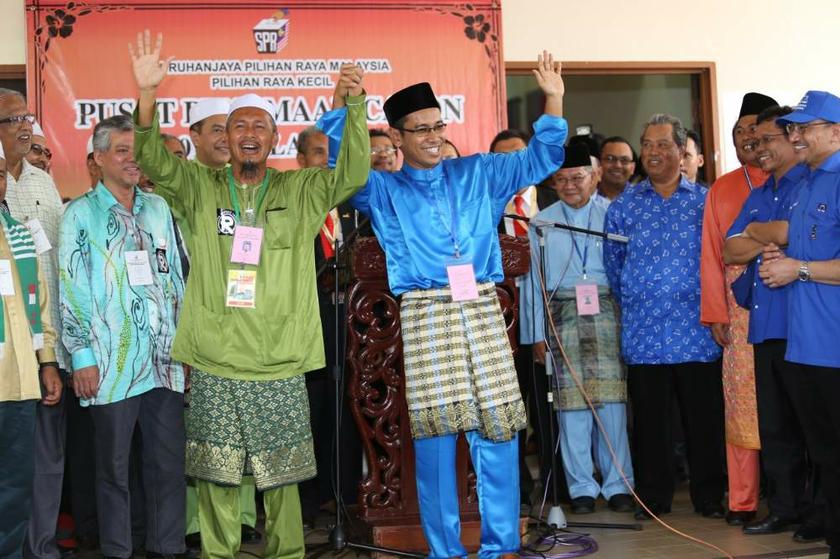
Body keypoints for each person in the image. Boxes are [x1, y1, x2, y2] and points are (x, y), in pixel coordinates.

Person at [129, 30, 370, 558]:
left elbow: (353, 171)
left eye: (260, 125)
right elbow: (153, 161)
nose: (248, 133)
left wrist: (354, 107)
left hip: (277, 359)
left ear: (275, 138)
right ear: (226, 138)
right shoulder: (199, 187)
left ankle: (287, 554)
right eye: (238, 125)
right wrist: (147, 96)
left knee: (281, 478)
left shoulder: (300, 189)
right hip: (215, 358)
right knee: (215, 476)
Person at [320, 50, 566, 556]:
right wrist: (345, 106)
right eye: (421, 130)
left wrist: (555, 99)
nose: (433, 137)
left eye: (438, 126)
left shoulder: (479, 172)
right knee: (435, 442)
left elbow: (541, 159)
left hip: (481, 309)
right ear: (397, 138)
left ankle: (500, 547)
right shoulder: (383, 189)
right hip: (427, 314)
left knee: (499, 433)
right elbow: (343, 172)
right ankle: (445, 551)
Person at [59, 114, 187, 559]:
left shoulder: (158, 208)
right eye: (121, 151)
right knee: (114, 470)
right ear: (97, 159)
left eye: (137, 151)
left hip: (164, 360)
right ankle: (118, 550)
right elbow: (71, 289)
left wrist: (183, 346)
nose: (133, 160)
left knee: (167, 464)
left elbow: (174, 280)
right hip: (109, 363)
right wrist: (81, 357)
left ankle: (166, 548)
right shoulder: (79, 214)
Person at [604, 113, 726, 520]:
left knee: (703, 420)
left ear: (680, 149)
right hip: (645, 333)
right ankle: (654, 497)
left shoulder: (706, 202)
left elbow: (720, 260)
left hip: (697, 331)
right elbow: (614, 265)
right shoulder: (623, 206)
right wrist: (641, 296)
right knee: (650, 423)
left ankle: (709, 496)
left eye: (662, 144)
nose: (652, 152)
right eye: (646, 144)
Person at [724, 105, 824, 542]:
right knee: (776, 427)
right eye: (755, 139)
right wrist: (766, 233)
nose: (758, 146)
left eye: (767, 139)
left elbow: (789, 233)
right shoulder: (763, 191)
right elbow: (729, 249)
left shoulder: (811, 183)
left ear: (792, 137)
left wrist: (758, 231)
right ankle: (785, 509)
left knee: (813, 427)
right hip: (764, 325)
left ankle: (820, 514)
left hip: (805, 326)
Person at [520, 143, 634, 515]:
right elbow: (533, 283)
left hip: (607, 313)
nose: (570, 186)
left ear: (595, 176)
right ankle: (581, 486)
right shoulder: (542, 222)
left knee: (612, 404)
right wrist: (535, 335)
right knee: (570, 408)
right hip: (562, 316)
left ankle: (618, 484)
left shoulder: (613, 215)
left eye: (578, 177)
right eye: (562, 179)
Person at [753, 90, 840, 559]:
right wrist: (782, 259)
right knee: (824, 455)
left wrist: (798, 269)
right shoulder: (806, 183)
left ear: (836, 132)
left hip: (835, 345)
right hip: (805, 345)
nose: (796, 135)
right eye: (793, 128)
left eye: (805, 127)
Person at [699, 92, 777, 525]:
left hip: (787, 303)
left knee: (785, 402)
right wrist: (716, 313)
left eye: (755, 130)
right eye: (740, 131)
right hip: (738, 311)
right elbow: (712, 255)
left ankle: (788, 500)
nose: (748, 138)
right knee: (741, 407)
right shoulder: (723, 187)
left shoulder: (793, 180)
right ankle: (742, 501)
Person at [0, 87, 70, 559]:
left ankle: (35, 548)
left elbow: (54, 274)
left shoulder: (41, 187)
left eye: (27, 117)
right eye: (13, 119)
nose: (25, 126)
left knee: (35, 465)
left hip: (36, 356)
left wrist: (51, 357)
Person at [596, 136, 636, 202]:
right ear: (598, 164)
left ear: (632, 168)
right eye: (610, 159)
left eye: (624, 160)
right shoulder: (585, 195)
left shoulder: (644, 201)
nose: (618, 165)